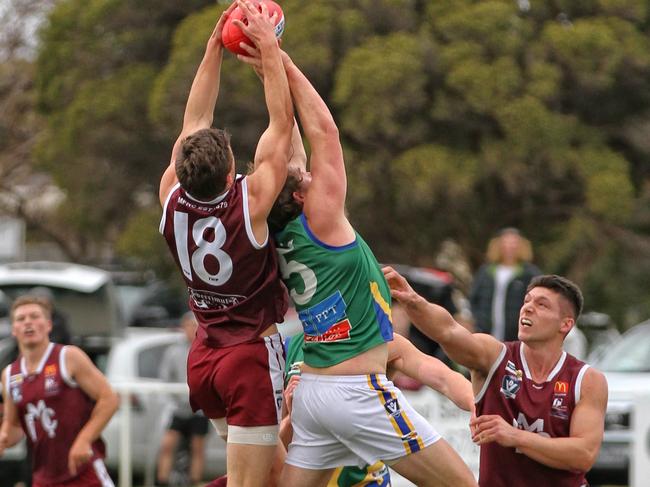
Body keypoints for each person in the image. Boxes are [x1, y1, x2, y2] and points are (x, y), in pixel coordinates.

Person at [237, 47, 476, 487]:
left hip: (314, 395)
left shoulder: (280, 230)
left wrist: (268, 69)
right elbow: (324, 132)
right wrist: (283, 60)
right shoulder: (323, 222)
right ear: (303, 198)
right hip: (356, 393)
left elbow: (284, 146)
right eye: (305, 180)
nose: (310, 174)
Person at [158, 2, 293, 485]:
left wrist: (213, 48)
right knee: (252, 482)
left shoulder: (170, 197)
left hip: (204, 357)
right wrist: (270, 53)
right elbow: (281, 125)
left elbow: (194, 119)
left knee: (275, 472)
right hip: (248, 356)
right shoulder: (250, 202)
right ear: (231, 166)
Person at [383, 268, 608, 487]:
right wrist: (413, 300)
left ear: (565, 324)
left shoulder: (586, 380)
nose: (528, 308)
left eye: (541, 305)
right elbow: (448, 331)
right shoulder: (494, 356)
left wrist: (516, 436)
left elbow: (584, 455)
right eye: (527, 301)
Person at [281, 331, 475, 486]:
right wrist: (291, 419)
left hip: (366, 480)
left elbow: (443, 378)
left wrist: (478, 405)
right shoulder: (286, 352)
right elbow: (271, 447)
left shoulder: (376, 340)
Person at [0, 295, 119, 486]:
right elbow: (14, 426)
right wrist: (3, 438)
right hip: (44, 477)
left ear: (48, 325)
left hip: (83, 472)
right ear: (14, 329)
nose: (28, 322)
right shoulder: (10, 375)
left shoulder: (68, 357)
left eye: (35, 316)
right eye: (21, 319)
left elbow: (109, 399)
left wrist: (84, 440)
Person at [156, 312, 209, 486]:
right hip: (178, 408)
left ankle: (194, 481)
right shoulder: (173, 351)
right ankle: (162, 481)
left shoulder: (207, 349)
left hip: (200, 409)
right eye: (188, 325)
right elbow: (165, 379)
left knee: (198, 448)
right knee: (168, 445)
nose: (192, 329)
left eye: (195, 325)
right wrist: (173, 401)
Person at [469, 228, 541, 341]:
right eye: (506, 243)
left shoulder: (529, 273)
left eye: (514, 243)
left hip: (515, 333)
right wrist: (479, 319)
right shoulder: (486, 271)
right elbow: (474, 299)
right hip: (486, 331)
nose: (510, 247)